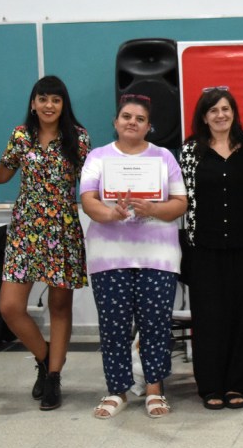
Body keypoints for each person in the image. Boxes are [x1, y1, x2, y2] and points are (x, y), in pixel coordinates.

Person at [80, 94, 187, 419]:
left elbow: (180, 202)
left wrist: (153, 208)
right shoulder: (98, 157)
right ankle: (118, 390)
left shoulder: (164, 157)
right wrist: (111, 214)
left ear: (148, 126)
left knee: (155, 325)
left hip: (158, 256)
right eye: (126, 116)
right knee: (113, 326)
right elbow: (88, 200)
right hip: (109, 256)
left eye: (140, 119)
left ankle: (154, 389)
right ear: (116, 122)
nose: (132, 122)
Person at [0, 75, 90, 411]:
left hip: (63, 228)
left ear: (63, 105)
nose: (49, 105)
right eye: (43, 99)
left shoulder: (78, 138)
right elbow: (2, 175)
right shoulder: (21, 136)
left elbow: (92, 180)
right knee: (9, 306)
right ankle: (46, 356)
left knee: (59, 307)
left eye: (56, 99)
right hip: (25, 229)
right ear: (33, 103)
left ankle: (53, 377)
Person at [180, 87, 243, 410]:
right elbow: (184, 199)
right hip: (204, 248)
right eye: (213, 110)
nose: (220, 115)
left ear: (234, 113)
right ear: (204, 117)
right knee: (208, 318)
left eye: (226, 109)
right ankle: (211, 385)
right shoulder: (190, 151)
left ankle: (238, 383)